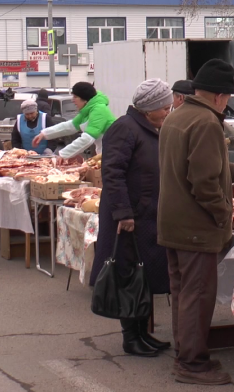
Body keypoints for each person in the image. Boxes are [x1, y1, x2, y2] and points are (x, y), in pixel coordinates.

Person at [158, 59, 234, 386]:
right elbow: (203, 182)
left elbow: (195, 164)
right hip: (196, 228)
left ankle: (186, 352)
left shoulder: (178, 117)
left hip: (173, 223)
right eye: (227, 97)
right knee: (198, 297)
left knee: (183, 294)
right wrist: (223, 215)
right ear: (219, 96)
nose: (226, 102)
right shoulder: (207, 122)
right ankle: (192, 363)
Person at [91, 78, 174, 358]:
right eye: (164, 107)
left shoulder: (148, 128)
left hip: (147, 216)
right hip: (129, 217)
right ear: (149, 108)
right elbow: (112, 173)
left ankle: (142, 332)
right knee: (128, 275)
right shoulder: (124, 129)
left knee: (145, 275)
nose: (167, 111)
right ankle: (130, 338)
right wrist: (123, 213)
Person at [32, 82, 115, 159]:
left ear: (85, 99)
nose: (72, 100)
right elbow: (71, 126)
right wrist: (44, 134)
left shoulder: (99, 109)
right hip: (104, 153)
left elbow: (87, 138)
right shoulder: (88, 109)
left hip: (113, 154)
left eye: (75, 97)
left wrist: (63, 154)